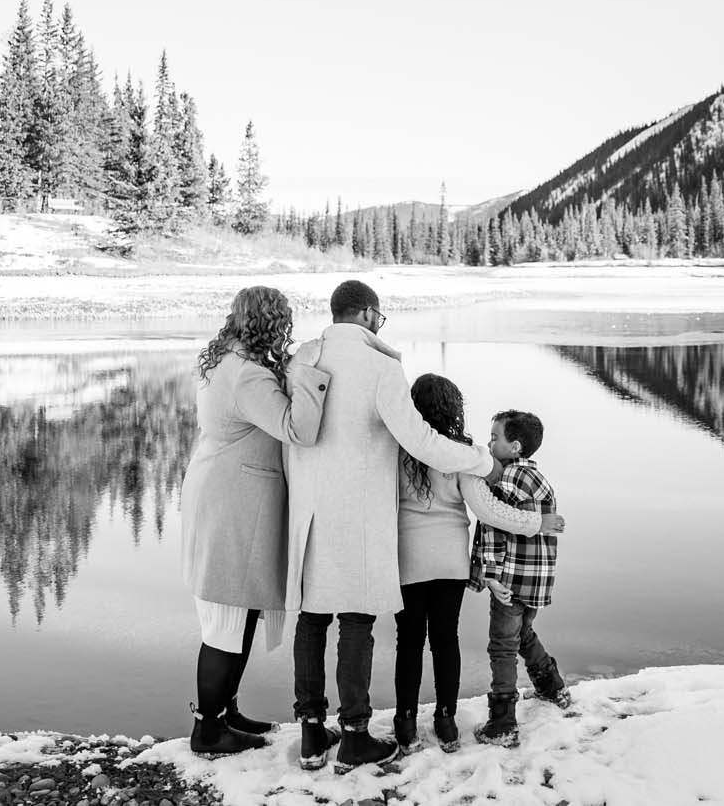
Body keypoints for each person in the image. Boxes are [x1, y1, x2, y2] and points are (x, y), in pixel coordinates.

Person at [284, 280, 498, 773]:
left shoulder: (303, 358)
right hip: (358, 514)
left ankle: (312, 734)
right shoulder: (380, 367)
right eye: (379, 318)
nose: (379, 326)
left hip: (309, 509)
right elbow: (420, 441)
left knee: (312, 619)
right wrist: (482, 461)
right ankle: (355, 735)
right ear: (366, 313)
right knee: (356, 620)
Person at [177, 285, 383, 758]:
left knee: (240, 613)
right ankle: (207, 730)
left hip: (225, 492)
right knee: (226, 622)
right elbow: (297, 429)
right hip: (233, 503)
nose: (288, 327)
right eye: (284, 320)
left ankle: (225, 713)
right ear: (271, 321)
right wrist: (310, 376)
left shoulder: (228, 360)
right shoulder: (248, 376)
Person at [394, 374, 566, 754]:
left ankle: (405, 724)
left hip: (407, 560)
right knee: (445, 641)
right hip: (450, 562)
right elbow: (489, 511)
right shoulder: (462, 455)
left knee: (409, 642)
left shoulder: (397, 450)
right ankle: (446, 721)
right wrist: (537, 522)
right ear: (452, 409)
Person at [470, 408, 568, 748]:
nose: (489, 443)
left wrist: (491, 575)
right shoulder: (539, 479)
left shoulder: (508, 480)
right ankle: (552, 686)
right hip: (536, 581)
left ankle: (503, 722)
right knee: (522, 633)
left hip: (510, 579)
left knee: (502, 645)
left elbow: (494, 526)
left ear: (514, 447)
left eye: (494, 438)